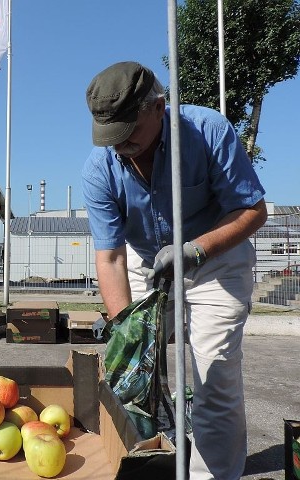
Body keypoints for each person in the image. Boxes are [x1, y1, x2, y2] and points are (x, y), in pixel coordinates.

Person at [81, 61, 267, 480]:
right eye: (111, 137)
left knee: (213, 374)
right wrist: (124, 329)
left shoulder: (208, 131)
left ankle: (211, 475)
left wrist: (195, 251)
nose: (121, 145)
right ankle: (144, 457)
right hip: (146, 262)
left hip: (216, 255)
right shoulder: (99, 169)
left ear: (158, 106)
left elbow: (253, 211)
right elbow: (110, 258)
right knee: (129, 372)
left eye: (129, 131)